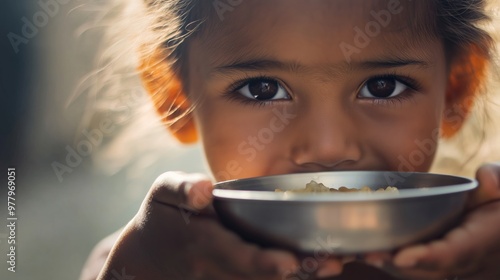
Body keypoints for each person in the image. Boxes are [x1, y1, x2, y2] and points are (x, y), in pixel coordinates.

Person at [80, 0, 500, 279]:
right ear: (173, 94)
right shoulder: (140, 263)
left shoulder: (481, 257)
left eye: (383, 86)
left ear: (457, 87)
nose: (329, 148)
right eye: (262, 90)